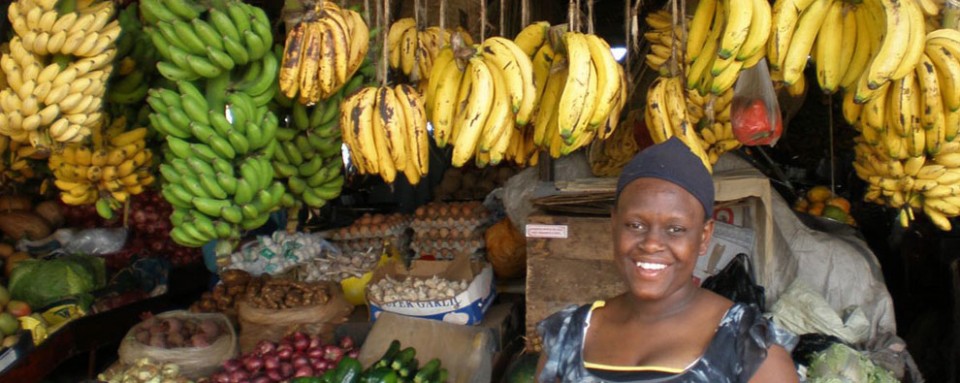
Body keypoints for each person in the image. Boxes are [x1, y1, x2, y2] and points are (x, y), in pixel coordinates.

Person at [535, 137, 798, 382]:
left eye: (676, 229)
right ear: (614, 225)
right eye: (635, 225)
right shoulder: (568, 337)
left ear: (705, 236)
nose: (651, 244)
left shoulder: (747, 348)